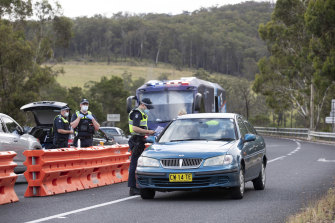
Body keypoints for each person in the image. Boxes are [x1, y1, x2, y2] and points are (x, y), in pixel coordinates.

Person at [128, 98, 155, 196]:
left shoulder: (141, 113)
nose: (148, 109)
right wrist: (148, 132)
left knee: (137, 164)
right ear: (143, 104)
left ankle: (136, 186)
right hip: (136, 140)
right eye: (147, 107)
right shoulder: (137, 113)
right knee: (134, 164)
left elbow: (142, 127)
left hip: (139, 140)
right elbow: (135, 128)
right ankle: (133, 188)